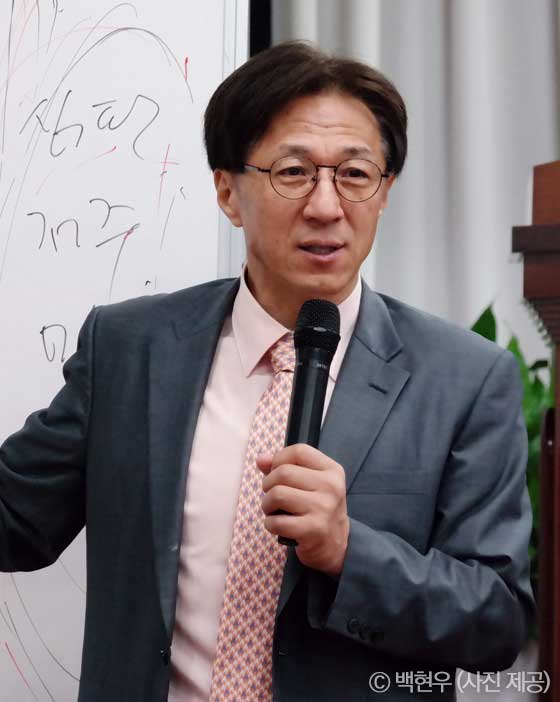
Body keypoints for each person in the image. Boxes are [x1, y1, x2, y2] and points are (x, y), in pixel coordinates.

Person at [0, 41, 534, 702]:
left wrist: (348, 550)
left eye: (355, 174)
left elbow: (497, 621)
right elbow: (17, 519)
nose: (326, 206)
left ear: (385, 192)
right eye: (293, 172)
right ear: (228, 191)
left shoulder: (464, 380)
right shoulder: (130, 349)